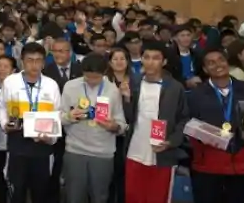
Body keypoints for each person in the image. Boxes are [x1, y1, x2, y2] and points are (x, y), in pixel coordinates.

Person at [187, 47, 244, 202]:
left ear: (228, 63)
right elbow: (188, 126)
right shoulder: (196, 96)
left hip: (243, 165)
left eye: (221, 60)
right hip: (209, 167)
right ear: (205, 69)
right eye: (211, 63)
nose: (218, 65)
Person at [123, 41, 189, 203]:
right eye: (146, 57)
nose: (150, 62)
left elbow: (184, 119)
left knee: (158, 198)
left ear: (164, 62)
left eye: (155, 58)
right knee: (133, 197)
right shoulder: (134, 83)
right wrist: (126, 99)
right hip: (135, 151)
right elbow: (128, 118)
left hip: (163, 155)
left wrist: (171, 141)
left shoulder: (175, 87)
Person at [0, 42, 62, 203]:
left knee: (40, 194)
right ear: (22, 61)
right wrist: (5, 124)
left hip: (43, 148)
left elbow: (58, 115)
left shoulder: (51, 85)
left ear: (44, 63)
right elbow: (2, 107)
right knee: (16, 193)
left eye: (38, 60)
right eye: (30, 60)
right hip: (17, 146)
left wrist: (51, 138)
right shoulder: (10, 82)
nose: (34, 65)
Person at [60, 53, 127, 203]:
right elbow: (59, 118)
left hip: (102, 153)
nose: (91, 81)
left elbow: (122, 124)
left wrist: (113, 126)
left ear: (104, 73)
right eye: (87, 77)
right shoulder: (70, 86)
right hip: (75, 151)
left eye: (95, 78)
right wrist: (69, 116)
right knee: (74, 197)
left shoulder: (113, 90)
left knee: (100, 197)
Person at [42, 36, 81, 202]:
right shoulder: (46, 72)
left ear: (69, 52)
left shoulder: (81, 69)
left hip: (78, 127)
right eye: (55, 51)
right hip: (55, 126)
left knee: (76, 170)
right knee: (54, 168)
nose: (59, 54)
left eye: (62, 51)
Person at [105, 47, 136, 203]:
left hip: (128, 135)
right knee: (109, 175)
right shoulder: (103, 82)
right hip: (107, 132)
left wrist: (128, 98)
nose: (119, 62)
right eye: (115, 59)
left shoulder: (136, 82)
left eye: (122, 58)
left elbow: (135, 114)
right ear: (110, 63)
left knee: (124, 175)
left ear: (128, 61)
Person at [0, 55, 15, 203]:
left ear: (13, 70)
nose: (2, 69)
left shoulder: (17, 90)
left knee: (12, 182)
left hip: (12, 144)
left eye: (6, 66)